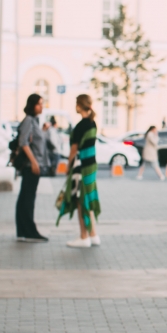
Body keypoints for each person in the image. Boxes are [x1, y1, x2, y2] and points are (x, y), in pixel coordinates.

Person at [56, 94, 101, 248]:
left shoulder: (81, 125)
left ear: (80, 105)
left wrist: (68, 166)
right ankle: (93, 234)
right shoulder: (92, 123)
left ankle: (84, 236)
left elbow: (74, 149)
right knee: (88, 197)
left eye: (76, 103)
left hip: (80, 166)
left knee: (81, 200)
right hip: (92, 165)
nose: (75, 106)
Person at [15, 92, 49, 242]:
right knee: (28, 198)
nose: (42, 106)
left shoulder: (34, 121)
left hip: (34, 165)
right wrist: (34, 162)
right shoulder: (29, 120)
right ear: (32, 105)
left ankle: (23, 230)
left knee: (25, 197)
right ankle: (29, 231)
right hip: (31, 166)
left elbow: (34, 140)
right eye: (39, 104)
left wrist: (43, 131)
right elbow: (24, 143)